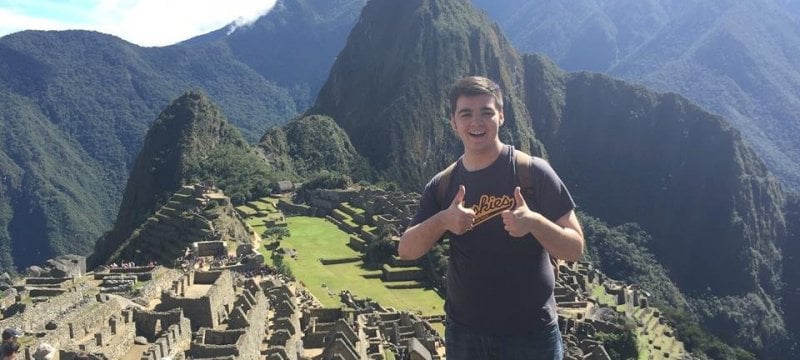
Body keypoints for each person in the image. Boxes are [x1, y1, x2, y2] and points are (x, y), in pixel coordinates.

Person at [398, 76, 584, 359]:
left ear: (501, 116)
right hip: (465, 336)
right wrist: (443, 221)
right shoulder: (442, 185)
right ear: (453, 122)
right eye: (466, 114)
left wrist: (534, 222)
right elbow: (407, 250)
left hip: (531, 335)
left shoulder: (534, 173)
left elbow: (575, 248)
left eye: (486, 112)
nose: (477, 122)